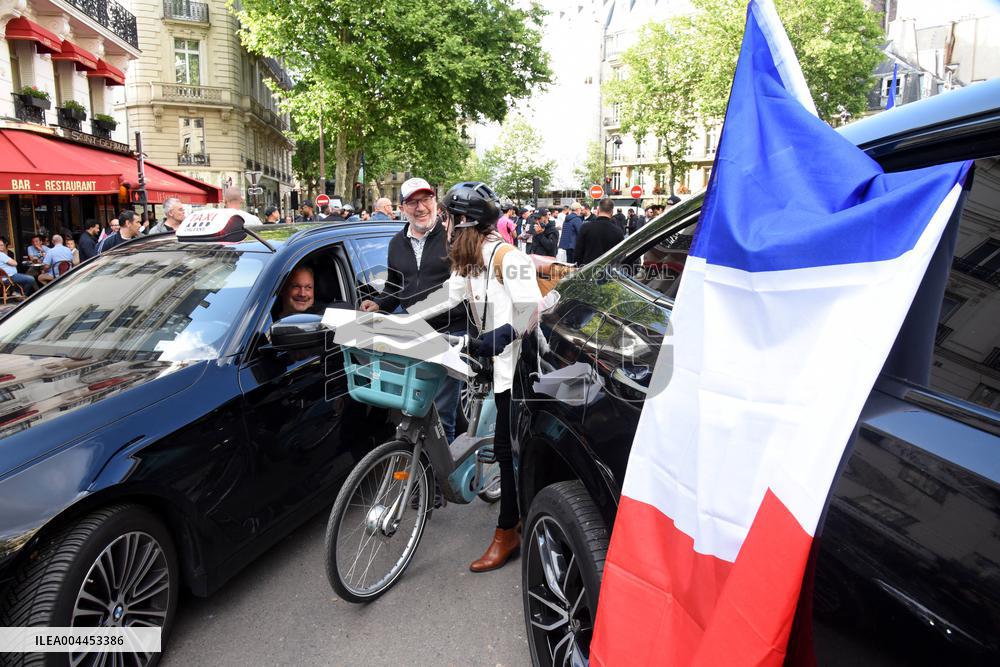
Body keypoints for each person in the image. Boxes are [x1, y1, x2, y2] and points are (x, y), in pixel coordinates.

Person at [404, 181, 542, 572]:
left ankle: (508, 532)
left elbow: (532, 309)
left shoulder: (508, 257)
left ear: (464, 221)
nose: (444, 225)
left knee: (508, 450)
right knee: (503, 446)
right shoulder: (469, 260)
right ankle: (516, 521)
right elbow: (445, 297)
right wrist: (402, 319)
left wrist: (502, 335)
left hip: (519, 367)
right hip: (495, 364)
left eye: (449, 217)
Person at [358, 176, 467, 444]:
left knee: (442, 414)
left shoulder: (453, 237)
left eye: (426, 199)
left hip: (450, 333)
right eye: (413, 202)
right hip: (415, 335)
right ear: (402, 208)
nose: (420, 207)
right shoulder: (396, 243)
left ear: (435, 202)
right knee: (418, 408)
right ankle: (428, 461)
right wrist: (379, 304)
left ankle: (442, 469)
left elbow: (465, 286)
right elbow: (394, 286)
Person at [575, 197, 625, 265]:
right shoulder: (618, 232)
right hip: (607, 269)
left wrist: (578, 266)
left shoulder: (585, 227)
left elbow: (578, 252)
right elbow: (620, 256)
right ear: (612, 212)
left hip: (588, 268)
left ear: (598, 210)